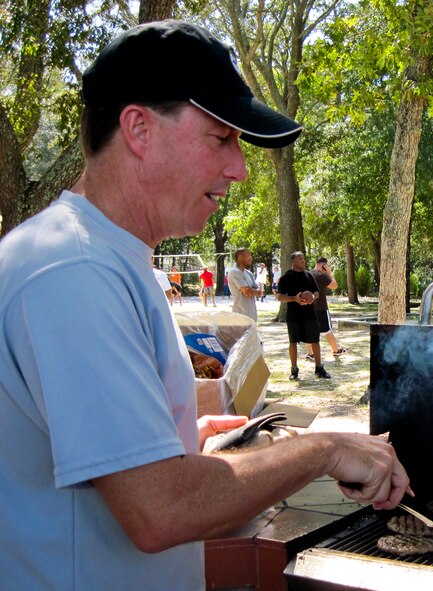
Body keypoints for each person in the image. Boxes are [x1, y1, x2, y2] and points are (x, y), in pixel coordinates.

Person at [0, 21, 408, 590]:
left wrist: (183, 439)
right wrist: (327, 449)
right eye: (221, 138)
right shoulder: (74, 270)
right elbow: (156, 510)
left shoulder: (106, 258)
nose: (239, 168)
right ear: (138, 128)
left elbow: (101, 465)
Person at [276, 251, 330, 379]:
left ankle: (319, 368)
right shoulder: (286, 277)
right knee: (293, 342)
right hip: (294, 315)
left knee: (315, 341)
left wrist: (312, 297)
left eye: (303, 258)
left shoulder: (309, 276)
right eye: (300, 259)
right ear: (293, 261)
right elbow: (279, 296)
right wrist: (294, 298)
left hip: (310, 314)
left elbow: (317, 292)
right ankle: (294, 370)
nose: (303, 260)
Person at [306, 257, 347, 360]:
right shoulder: (321, 275)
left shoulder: (307, 274)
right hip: (321, 307)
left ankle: (309, 353)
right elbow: (334, 286)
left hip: (309, 307)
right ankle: (336, 350)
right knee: (327, 329)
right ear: (324, 266)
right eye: (326, 266)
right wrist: (329, 272)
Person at [228, 248, 262, 320]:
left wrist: (254, 291)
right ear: (240, 257)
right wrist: (254, 291)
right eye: (248, 255)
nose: (251, 258)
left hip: (252, 316)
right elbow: (247, 292)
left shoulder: (248, 273)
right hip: (240, 317)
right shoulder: (234, 272)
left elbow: (259, 292)